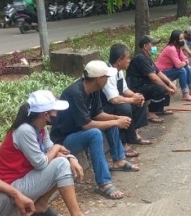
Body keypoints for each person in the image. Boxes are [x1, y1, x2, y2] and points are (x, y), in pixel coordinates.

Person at [0, 90, 107, 216]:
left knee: (64, 163)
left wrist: (71, 158)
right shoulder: (25, 131)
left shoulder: (40, 128)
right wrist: (58, 148)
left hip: (25, 178)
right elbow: (42, 162)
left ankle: (40, 205)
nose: (56, 114)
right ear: (44, 114)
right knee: (60, 165)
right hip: (12, 186)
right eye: (54, 110)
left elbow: (50, 150)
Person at [50, 60, 140, 200]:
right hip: (63, 141)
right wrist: (116, 121)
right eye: (106, 77)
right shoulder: (75, 93)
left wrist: (117, 118)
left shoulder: (94, 90)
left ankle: (119, 160)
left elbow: (98, 114)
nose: (108, 79)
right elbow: (86, 125)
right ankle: (103, 183)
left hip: (79, 133)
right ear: (99, 79)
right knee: (95, 133)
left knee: (111, 123)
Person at [102, 44, 151, 157]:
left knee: (139, 100)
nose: (129, 60)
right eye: (127, 58)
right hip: (106, 106)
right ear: (119, 60)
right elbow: (114, 99)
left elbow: (125, 89)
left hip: (116, 101)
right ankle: (123, 143)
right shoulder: (108, 73)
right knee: (125, 107)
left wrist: (135, 96)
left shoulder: (119, 71)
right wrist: (132, 100)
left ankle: (133, 134)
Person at [126, 35, 177, 124]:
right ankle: (151, 113)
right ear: (145, 46)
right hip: (136, 88)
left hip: (145, 85)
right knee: (160, 88)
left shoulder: (147, 57)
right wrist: (167, 88)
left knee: (166, 81)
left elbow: (158, 72)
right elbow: (153, 78)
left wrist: (169, 83)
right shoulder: (140, 58)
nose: (154, 47)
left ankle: (160, 109)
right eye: (152, 44)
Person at [155, 30, 191, 101]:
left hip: (170, 69)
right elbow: (178, 65)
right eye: (181, 39)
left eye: (183, 38)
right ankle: (185, 94)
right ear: (175, 40)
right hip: (162, 72)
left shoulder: (178, 48)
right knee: (182, 71)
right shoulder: (171, 48)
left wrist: (185, 62)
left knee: (187, 68)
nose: (183, 41)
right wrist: (185, 62)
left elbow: (185, 59)